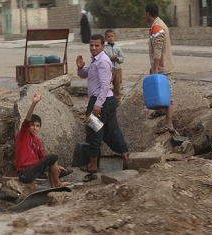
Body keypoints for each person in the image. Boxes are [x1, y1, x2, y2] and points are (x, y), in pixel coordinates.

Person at [76, 34, 129, 182]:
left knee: (93, 132)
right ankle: (126, 156)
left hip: (101, 101)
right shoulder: (95, 60)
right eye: (91, 45)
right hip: (106, 101)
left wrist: (97, 105)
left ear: (102, 47)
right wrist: (80, 68)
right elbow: (85, 74)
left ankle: (93, 165)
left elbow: (105, 85)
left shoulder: (103, 62)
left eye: (96, 45)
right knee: (112, 130)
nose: (93, 48)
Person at [14, 92, 71, 188]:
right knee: (53, 157)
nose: (34, 128)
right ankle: (57, 184)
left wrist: (56, 167)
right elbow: (27, 120)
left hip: (35, 170)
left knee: (52, 162)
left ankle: (53, 187)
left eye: (37, 126)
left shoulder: (37, 141)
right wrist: (34, 103)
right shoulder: (23, 135)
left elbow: (43, 158)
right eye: (32, 125)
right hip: (25, 173)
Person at [145, 2, 175, 134]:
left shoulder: (157, 27)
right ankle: (160, 110)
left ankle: (169, 124)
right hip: (162, 66)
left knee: (168, 95)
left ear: (147, 13)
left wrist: (155, 68)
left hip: (162, 67)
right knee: (162, 92)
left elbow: (157, 50)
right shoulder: (157, 24)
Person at [104, 29, 124, 105]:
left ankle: (117, 101)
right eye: (108, 36)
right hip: (109, 70)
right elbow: (104, 59)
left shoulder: (118, 48)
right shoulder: (105, 48)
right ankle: (107, 100)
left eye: (112, 36)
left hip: (117, 70)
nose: (110, 38)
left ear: (115, 37)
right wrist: (110, 59)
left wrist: (117, 58)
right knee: (107, 85)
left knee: (117, 86)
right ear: (106, 38)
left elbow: (122, 58)